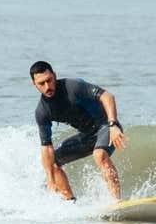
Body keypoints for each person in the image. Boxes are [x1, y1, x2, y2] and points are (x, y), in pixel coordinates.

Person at [30, 61, 127, 201]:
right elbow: (47, 148)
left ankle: (116, 202)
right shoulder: (42, 112)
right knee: (53, 162)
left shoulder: (73, 87)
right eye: (41, 83)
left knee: (99, 154)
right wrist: (50, 178)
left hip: (106, 126)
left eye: (49, 80)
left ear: (54, 76)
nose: (47, 86)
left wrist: (113, 125)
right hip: (87, 135)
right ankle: (70, 202)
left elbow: (107, 96)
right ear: (34, 84)